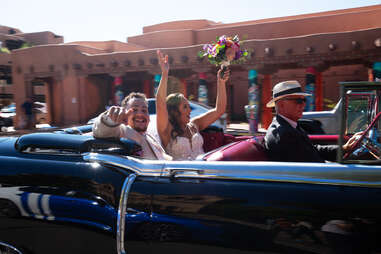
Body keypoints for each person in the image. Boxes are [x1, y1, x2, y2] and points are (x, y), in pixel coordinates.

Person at [156, 50, 230, 160]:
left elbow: (219, 110)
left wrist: (221, 82)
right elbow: (161, 104)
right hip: (182, 176)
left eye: (189, 106)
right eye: (185, 107)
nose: (190, 110)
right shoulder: (167, 131)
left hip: (204, 172)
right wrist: (165, 74)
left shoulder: (195, 124)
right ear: (174, 111)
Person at [264, 80, 359, 162]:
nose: (303, 105)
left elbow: (313, 150)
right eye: (298, 101)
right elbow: (308, 166)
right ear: (281, 105)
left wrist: (344, 148)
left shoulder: (290, 126)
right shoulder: (282, 133)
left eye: (304, 100)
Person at [92, 92, 172, 160]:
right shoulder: (123, 131)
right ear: (124, 114)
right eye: (134, 110)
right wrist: (110, 120)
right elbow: (103, 132)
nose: (140, 114)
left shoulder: (150, 137)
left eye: (144, 110)